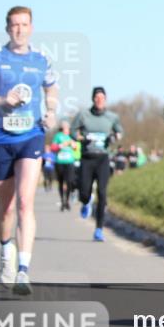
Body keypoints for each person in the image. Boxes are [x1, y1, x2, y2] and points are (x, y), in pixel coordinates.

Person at [0, 6, 59, 294]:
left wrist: (52, 111)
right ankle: (6, 250)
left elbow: (51, 90)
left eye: (24, 24)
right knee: (6, 207)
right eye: (14, 25)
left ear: (31, 27)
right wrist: (0, 99)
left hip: (31, 135)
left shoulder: (42, 58)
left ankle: (23, 269)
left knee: (24, 203)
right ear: (7, 28)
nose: (19, 29)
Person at [72, 87, 123, 241]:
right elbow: (73, 132)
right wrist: (81, 138)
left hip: (103, 159)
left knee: (102, 192)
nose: (99, 100)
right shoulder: (83, 115)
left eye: (102, 97)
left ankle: (99, 229)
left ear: (105, 99)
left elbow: (119, 132)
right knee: (84, 191)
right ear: (93, 99)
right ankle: (85, 202)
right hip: (87, 158)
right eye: (97, 97)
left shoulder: (112, 117)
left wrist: (114, 138)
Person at [51, 121, 78, 210]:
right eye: (66, 127)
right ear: (62, 128)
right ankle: (62, 201)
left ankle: (67, 200)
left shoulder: (71, 136)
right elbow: (53, 148)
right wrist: (62, 145)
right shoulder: (58, 136)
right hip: (60, 162)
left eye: (68, 128)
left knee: (70, 181)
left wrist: (74, 145)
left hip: (69, 162)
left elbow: (75, 148)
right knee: (61, 182)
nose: (67, 129)